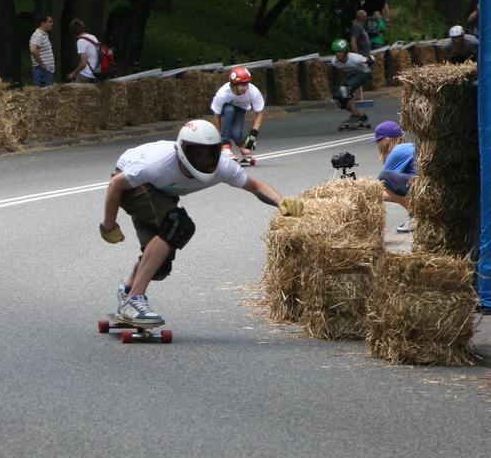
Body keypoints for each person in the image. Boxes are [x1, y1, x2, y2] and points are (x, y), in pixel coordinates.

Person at [99, 118, 304, 324]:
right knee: (178, 225)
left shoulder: (222, 166)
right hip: (130, 185)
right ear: (182, 151)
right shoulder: (155, 164)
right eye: (197, 153)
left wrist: (281, 202)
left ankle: (128, 289)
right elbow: (116, 184)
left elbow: (256, 186)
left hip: (160, 192)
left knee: (159, 266)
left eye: (210, 153)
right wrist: (108, 226)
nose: (205, 160)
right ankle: (134, 300)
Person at [208, 65, 265, 164]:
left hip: (240, 108)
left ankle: (243, 147)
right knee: (230, 110)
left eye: (247, 84)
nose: (246, 88)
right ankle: (225, 146)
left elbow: (259, 113)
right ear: (234, 84)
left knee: (236, 134)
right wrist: (219, 140)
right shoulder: (222, 93)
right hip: (225, 110)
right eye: (242, 85)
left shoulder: (253, 92)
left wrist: (252, 136)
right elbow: (216, 115)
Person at [372, 119, 416, 234]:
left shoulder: (398, 151)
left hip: (422, 186)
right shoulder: (407, 146)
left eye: (378, 142)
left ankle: (420, 217)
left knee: (384, 178)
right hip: (423, 185)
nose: (377, 145)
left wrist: (362, 194)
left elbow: (381, 186)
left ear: (386, 140)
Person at [331, 39, 373, 128]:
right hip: (352, 76)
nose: (338, 54)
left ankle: (354, 115)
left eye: (340, 51)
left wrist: (370, 60)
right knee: (338, 99)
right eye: (336, 52)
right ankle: (361, 116)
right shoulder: (335, 62)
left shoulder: (355, 58)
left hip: (364, 73)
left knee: (346, 90)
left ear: (346, 52)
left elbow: (371, 60)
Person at [29, 13, 55, 87]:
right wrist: (43, 66)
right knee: (42, 95)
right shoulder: (38, 35)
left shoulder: (43, 35)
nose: (52, 24)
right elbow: (33, 50)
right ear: (43, 23)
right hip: (42, 71)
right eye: (49, 22)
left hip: (45, 71)